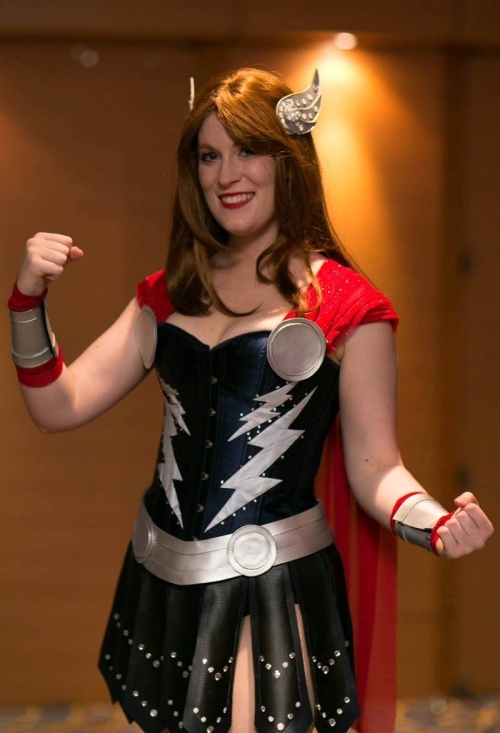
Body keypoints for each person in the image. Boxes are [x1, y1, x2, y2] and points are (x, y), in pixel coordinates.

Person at [7, 68, 493, 733]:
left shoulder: (349, 307)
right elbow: (57, 406)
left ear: (288, 160)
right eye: (209, 154)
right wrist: (27, 301)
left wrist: (436, 524)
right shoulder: (168, 292)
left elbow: (376, 468)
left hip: (266, 593)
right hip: (160, 576)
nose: (226, 173)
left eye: (247, 150)